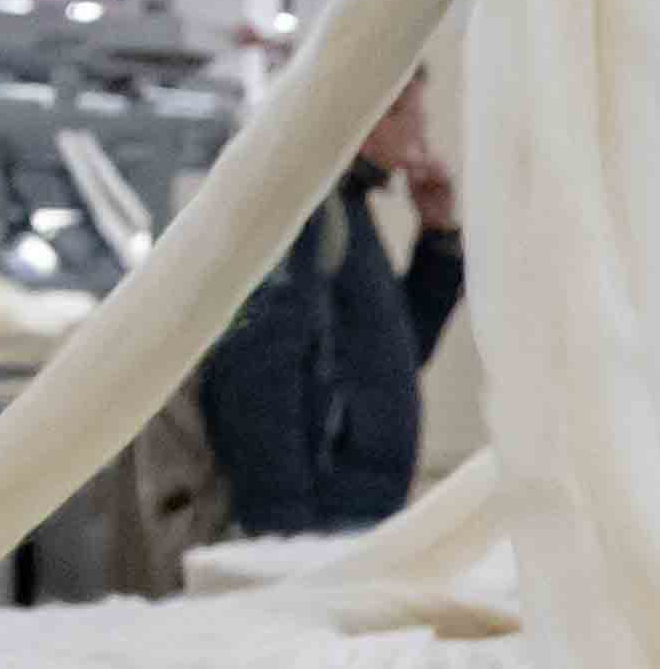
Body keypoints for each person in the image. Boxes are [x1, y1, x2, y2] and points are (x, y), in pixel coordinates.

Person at [194, 64, 463, 539]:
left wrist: (437, 240)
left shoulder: (346, 206)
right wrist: (283, 529)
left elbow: (393, 355)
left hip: (357, 506)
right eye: (415, 119)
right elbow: (258, 370)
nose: (420, 139)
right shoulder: (302, 212)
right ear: (375, 113)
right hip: (319, 516)